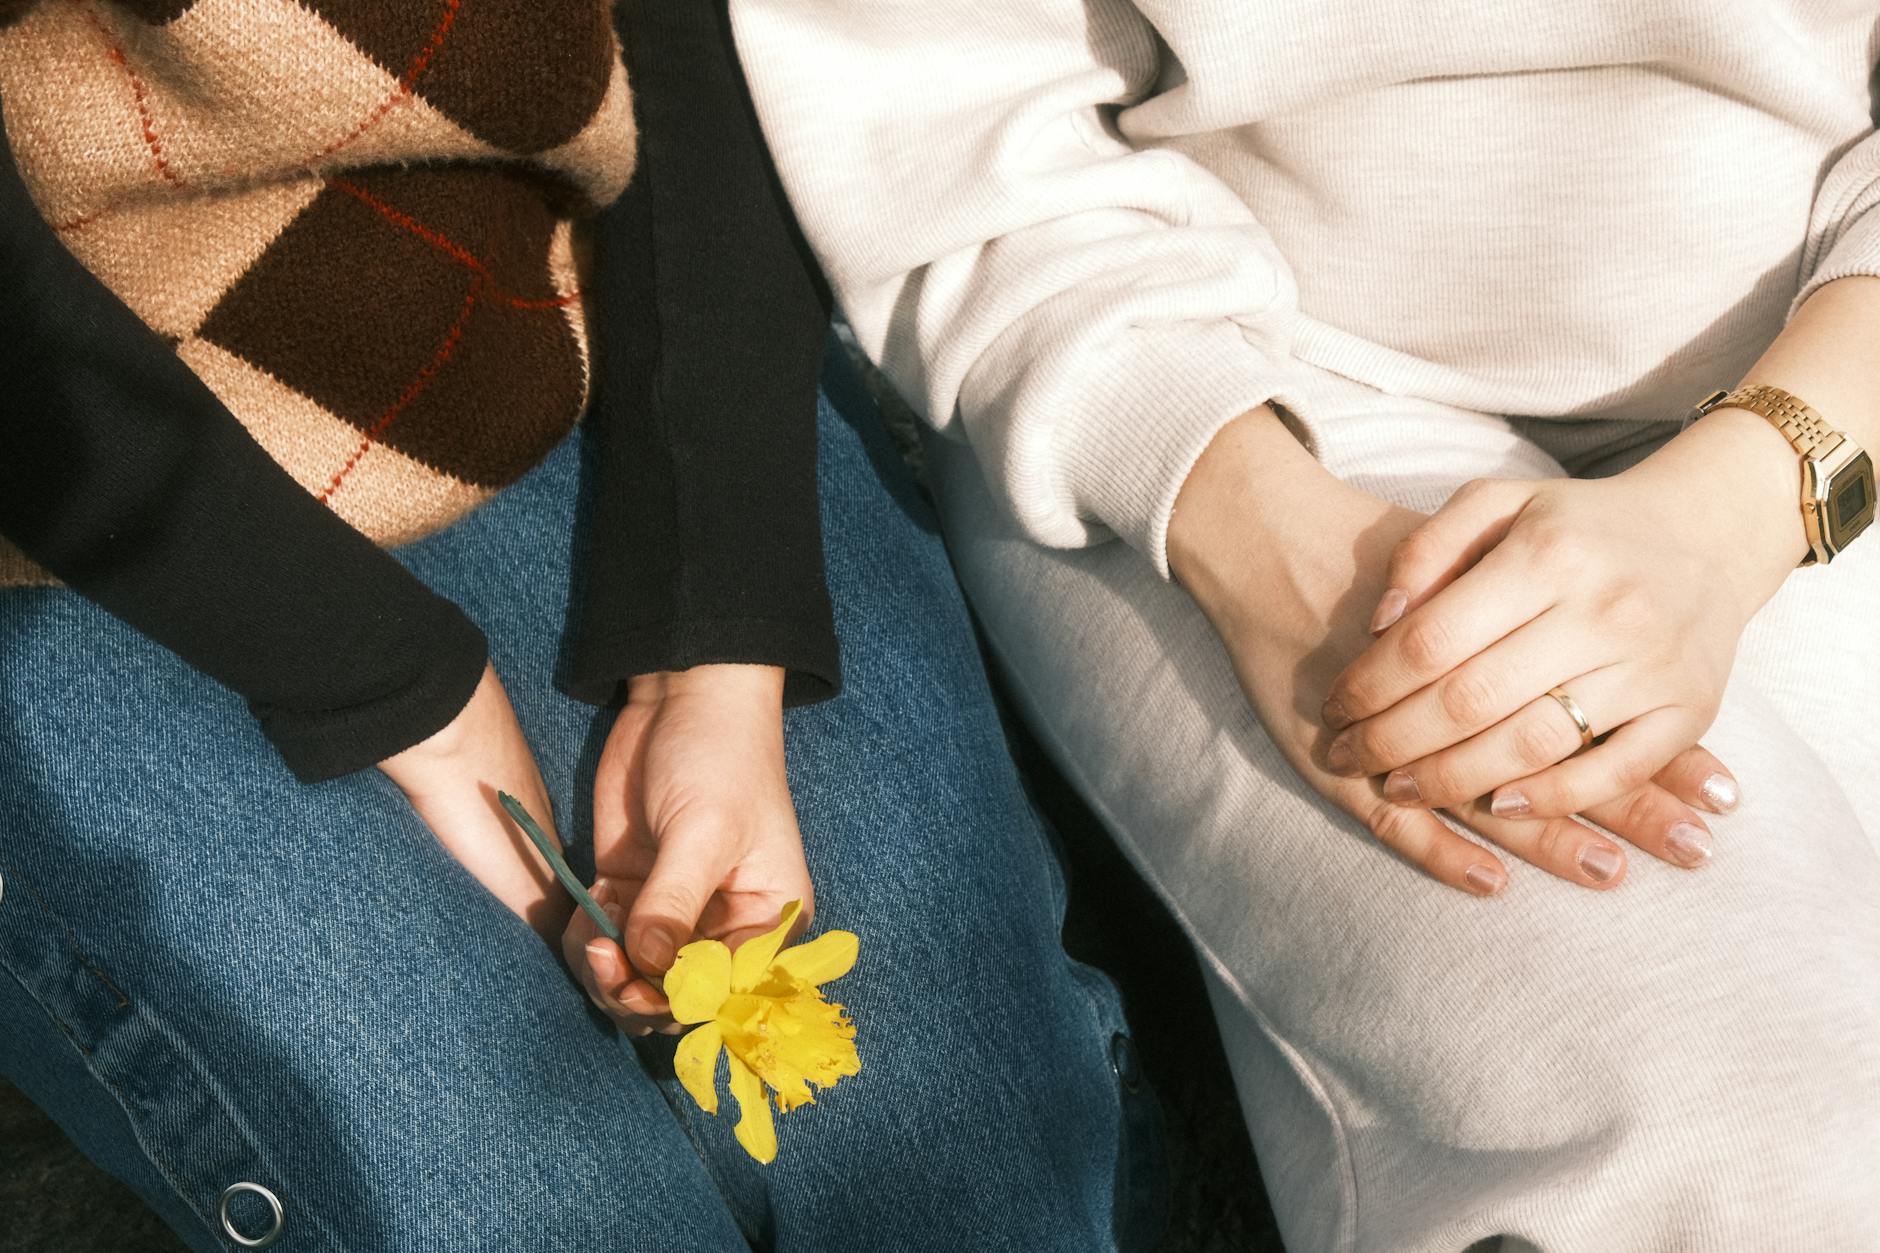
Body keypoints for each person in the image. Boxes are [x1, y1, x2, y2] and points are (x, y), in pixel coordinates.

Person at [0, 2, 1163, 1249]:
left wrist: (716, 640)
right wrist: (390, 687)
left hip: (529, 279)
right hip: (55, 486)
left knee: (973, 1148)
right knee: (541, 1205)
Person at [728, 1, 1880, 1248]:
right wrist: (1266, 542)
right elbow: (928, 113)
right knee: (1740, 1137)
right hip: (1249, 401)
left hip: (1833, 349)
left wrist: (1748, 497)